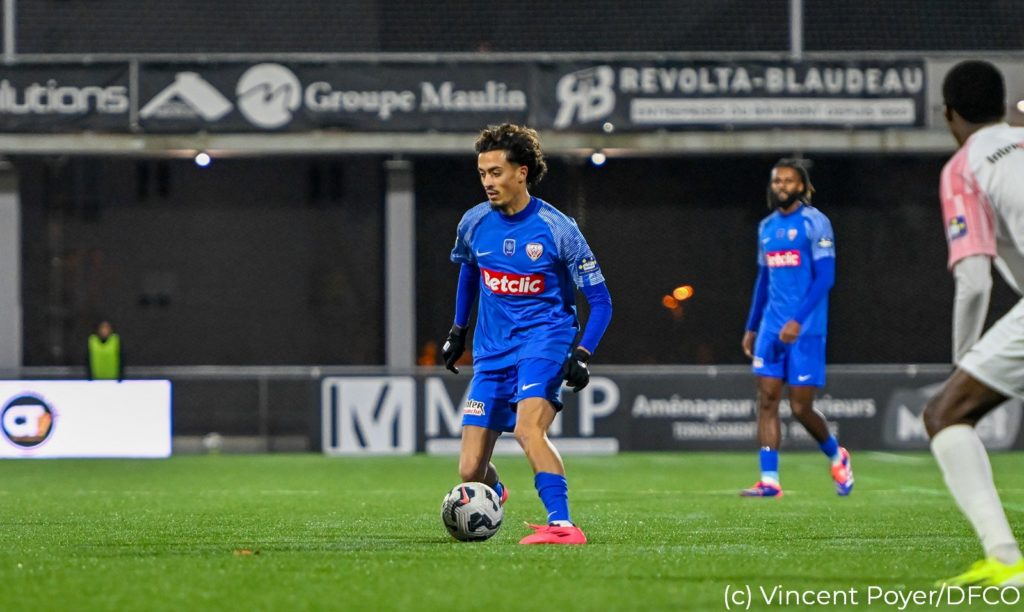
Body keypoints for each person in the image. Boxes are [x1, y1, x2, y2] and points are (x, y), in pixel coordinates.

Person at [441, 123, 612, 545]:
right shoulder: (474, 222)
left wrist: (582, 352)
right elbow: (469, 272)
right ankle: (493, 495)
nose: (487, 182)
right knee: (469, 470)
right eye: (482, 173)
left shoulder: (558, 228)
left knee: (528, 431)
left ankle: (563, 526)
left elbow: (601, 301)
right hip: (491, 351)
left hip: (545, 342)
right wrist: (458, 330)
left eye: (496, 172)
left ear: (522, 173)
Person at [923, 59, 1024, 587]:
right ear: (1005, 106)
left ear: (949, 114)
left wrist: (964, 363)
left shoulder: (965, 167)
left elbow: (976, 281)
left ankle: (1004, 558)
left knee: (946, 414)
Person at [740, 159, 853, 498]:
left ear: (801, 186)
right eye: (777, 181)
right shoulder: (766, 227)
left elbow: (825, 278)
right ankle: (769, 480)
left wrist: (797, 320)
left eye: (788, 181)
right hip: (770, 328)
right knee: (767, 400)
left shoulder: (815, 223)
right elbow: (763, 280)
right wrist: (752, 326)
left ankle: (837, 456)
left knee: (800, 408)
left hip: (806, 329)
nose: (781, 186)